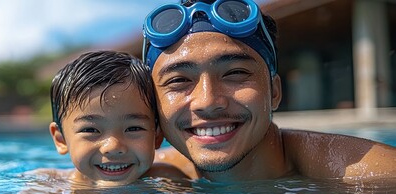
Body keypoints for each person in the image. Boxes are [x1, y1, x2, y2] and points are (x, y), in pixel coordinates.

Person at [141, 0, 396, 182]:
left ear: (274, 92)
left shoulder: (375, 176)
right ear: (153, 102)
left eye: (235, 73)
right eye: (178, 80)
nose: (207, 101)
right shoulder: (141, 173)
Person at [33, 50, 187, 187]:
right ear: (61, 140)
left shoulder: (167, 180)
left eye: (133, 128)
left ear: (157, 136)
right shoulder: (48, 185)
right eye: (91, 130)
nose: (113, 146)